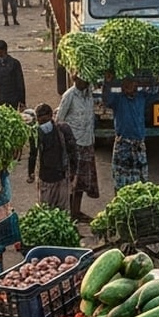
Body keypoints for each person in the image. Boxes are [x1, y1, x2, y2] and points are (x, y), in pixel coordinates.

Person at [102, 74, 159, 190]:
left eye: (131, 84)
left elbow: (156, 92)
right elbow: (106, 98)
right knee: (120, 178)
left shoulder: (142, 97)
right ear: (122, 87)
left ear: (136, 86)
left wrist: (157, 79)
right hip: (123, 143)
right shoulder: (118, 99)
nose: (128, 87)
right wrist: (107, 83)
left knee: (141, 179)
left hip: (138, 143)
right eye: (126, 85)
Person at [57, 74, 99, 222]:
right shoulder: (69, 95)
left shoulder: (89, 94)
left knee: (82, 182)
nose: (86, 82)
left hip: (87, 142)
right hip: (74, 145)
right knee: (72, 182)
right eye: (82, 79)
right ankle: (69, 214)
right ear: (75, 79)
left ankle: (77, 211)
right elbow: (59, 120)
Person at [27, 103, 75, 210]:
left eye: (45, 121)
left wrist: (73, 171)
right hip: (45, 178)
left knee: (63, 211)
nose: (43, 124)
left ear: (51, 116)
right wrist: (30, 172)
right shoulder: (35, 133)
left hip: (61, 176)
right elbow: (33, 154)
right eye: (40, 122)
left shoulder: (63, 130)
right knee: (46, 211)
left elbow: (72, 151)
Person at [0, 40, 25, 109]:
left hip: (13, 97)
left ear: (5, 50)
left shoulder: (14, 63)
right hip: (1, 96)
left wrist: (22, 100)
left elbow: (20, 82)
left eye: (0, 53)